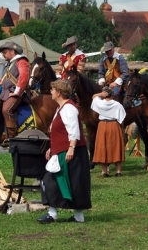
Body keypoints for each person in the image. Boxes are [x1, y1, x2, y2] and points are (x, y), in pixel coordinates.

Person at [38, 80, 91, 223]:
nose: (51, 92)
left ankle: (55, 214)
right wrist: (52, 148)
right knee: (64, 181)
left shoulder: (69, 108)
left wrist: (71, 148)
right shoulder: (61, 108)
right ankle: (72, 215)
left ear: (59, 92)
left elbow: (73, 130)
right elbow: (59, 131)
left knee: (66, 181)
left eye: (52, 90)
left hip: (71, 151)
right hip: (62, 150)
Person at [0, 41, 30, 141]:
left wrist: (17, 92)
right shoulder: (7, 64)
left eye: (5, 52)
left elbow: (24, 77)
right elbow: (3, 80)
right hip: (6, 93)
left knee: (6, 109)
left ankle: (12, 136)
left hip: (18, 93)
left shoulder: (21, 61)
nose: (3, 55)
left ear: (12, 51)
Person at [91, 86, 126, 177]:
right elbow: (122, 117)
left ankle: (104, 172)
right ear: (112, 95)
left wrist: (100, 94)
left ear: (104, 95)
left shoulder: (99, 103)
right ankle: (118, 171)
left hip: (102, 125)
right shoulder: (117, 104)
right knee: (116, 146)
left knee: (103, 146)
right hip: (114, 124)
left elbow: (94, 96)